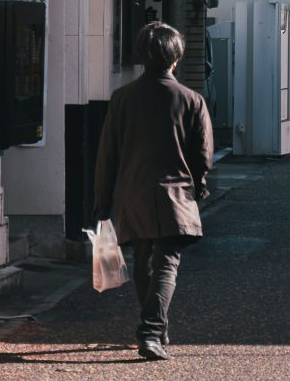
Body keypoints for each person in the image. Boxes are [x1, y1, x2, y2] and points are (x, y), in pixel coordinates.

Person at [93, 21, 214, 361]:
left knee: (144, 260)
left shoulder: (121, 99)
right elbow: (203, 156)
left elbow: (107, 154)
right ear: (176, 57)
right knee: (166, 264)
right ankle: (150, 332)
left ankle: (155, 330)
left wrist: (102, 203)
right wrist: (198, 186)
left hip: (131, 195)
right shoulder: (191, 100)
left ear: (142, 56)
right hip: (175, 196)